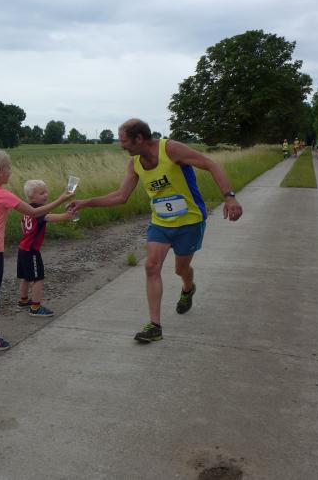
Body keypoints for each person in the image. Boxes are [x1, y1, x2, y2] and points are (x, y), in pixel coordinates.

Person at [69, 118, 242, 343]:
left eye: (124, 141)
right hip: (160, 223)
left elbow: (211, 164)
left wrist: (229, 197)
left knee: (181, 269)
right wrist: (86, 202)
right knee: (151, 266)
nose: (121, 146)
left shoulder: (171, 149)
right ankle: (155, 326)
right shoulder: (135, 164)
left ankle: (188, 288)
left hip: (189, 221)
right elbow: (121, 196)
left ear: (139, 138)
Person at [0, 150, 72, 352]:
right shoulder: (3, 195)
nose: (11, 171)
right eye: (9, 168)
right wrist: (61, 199)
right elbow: (34, 211)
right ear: (0, 171)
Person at [16, 179, 75, 317]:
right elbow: (49, 217)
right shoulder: (39, 211)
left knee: (25, 276)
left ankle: (23, 300)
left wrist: (28, 235)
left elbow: (22, 225)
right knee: (38, 278)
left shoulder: (27, 209)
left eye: (46, 192)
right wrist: (65, 216)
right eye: (42, 193)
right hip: (31, 251)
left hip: (22, 248)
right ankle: (35, 307)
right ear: (32, 197)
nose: (46, 195)